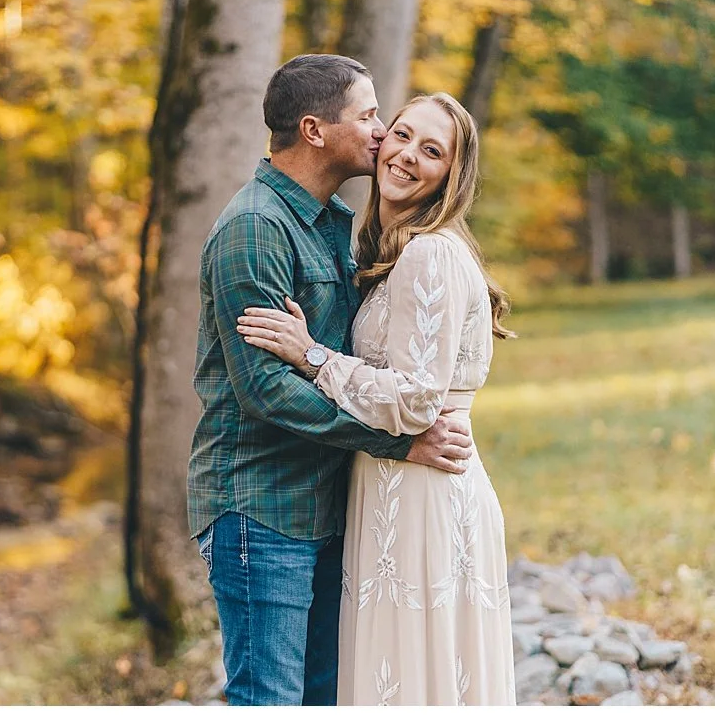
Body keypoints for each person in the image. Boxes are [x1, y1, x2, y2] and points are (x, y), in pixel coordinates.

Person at [187, 55, 476, 707]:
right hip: (263, 508)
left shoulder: (334, 226)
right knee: (270, 698)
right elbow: (264, 389)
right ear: (315, 130)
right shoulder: (256, 228)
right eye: (369, 115)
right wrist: (399, 443)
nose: (382, 131)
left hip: (325, 503)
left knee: (324, 697)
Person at [237, 91, 518, 705]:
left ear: (452, 176)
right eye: (402, 134)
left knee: (409, 680)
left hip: (420, 495)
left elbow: (418, 401)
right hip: (396, 485)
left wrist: (311, 356)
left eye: (433, 150)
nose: (408, 155)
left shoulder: (430, 254)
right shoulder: (389, 254)